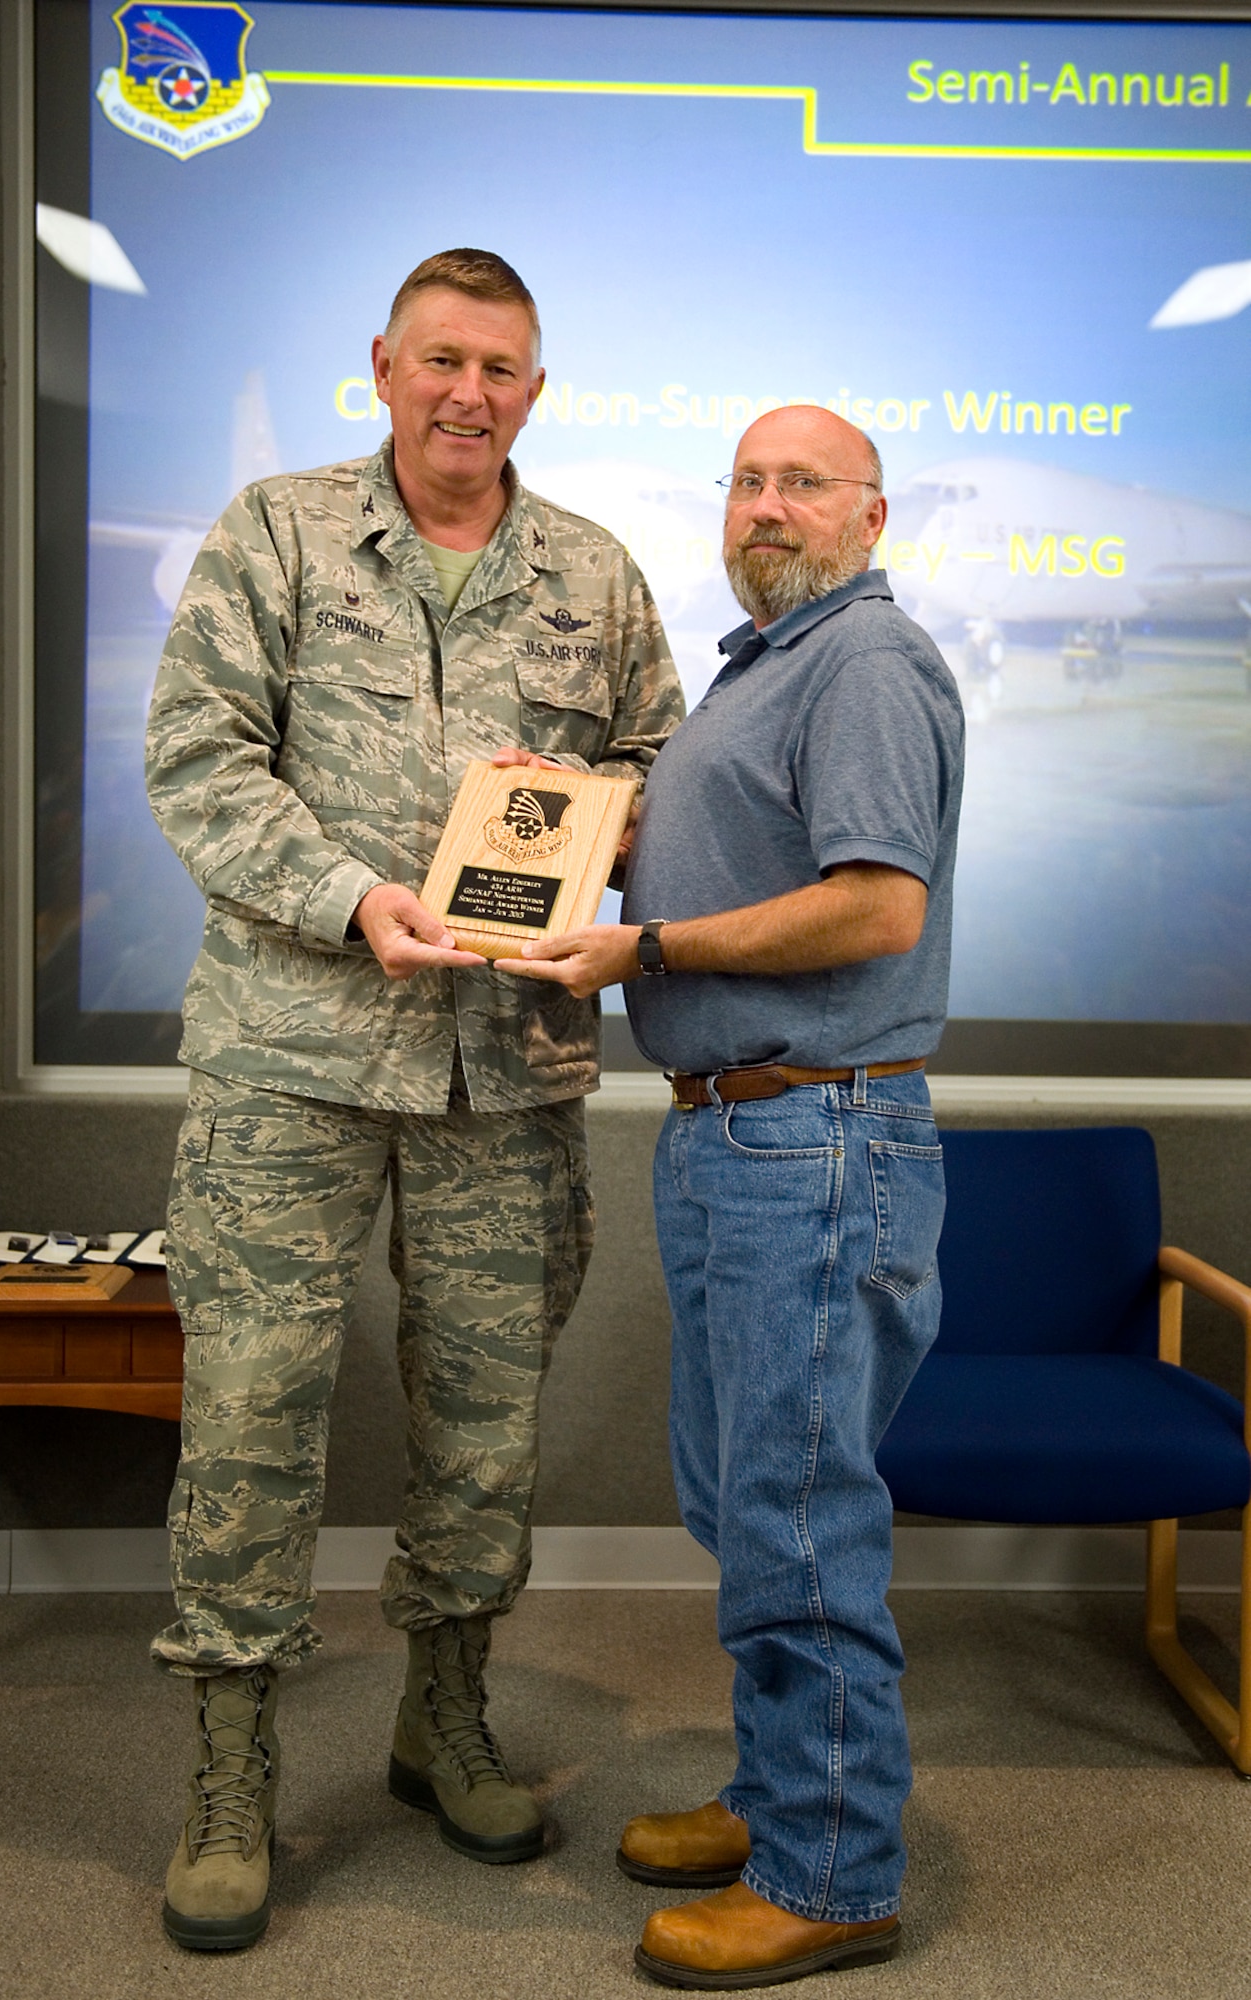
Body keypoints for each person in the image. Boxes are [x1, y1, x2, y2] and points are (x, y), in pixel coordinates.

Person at [144, 247, 683, 1951]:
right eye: (440, 359)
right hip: (289, 1061)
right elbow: (198, 757)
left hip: (504, 1075)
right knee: (246, 1417)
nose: (469, 393)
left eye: (501, 368)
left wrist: (606, 822)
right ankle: (229, 1765)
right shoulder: (278, 533)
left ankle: (437, 1714)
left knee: (484, 1426)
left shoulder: (593, 575)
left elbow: (665, 762)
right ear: (381, 365)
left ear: (538, 388)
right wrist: (345, 897)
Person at [498, 404, 964, 1988]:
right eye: (747, 482)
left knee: (796, 1513)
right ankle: (787, 1798)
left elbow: (871, 910)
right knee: (741, 1497)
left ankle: (833, 1876)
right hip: (737, 1138)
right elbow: (708, 875)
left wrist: (645, 951)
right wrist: (550, 830)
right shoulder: (760, 669)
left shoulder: (867, 666)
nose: (766, 507)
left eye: (802, 485)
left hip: (815, 1138)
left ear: (870, 516)